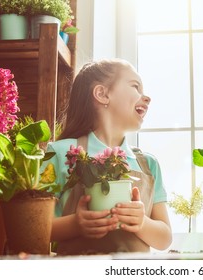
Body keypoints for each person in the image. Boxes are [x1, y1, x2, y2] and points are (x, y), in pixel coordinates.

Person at [44, 59, 172, 254]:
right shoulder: (60, 153)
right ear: (102, 94)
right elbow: (35, 228)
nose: (146, 97)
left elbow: (165, 239)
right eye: (135, 87)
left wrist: (142, 223)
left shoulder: (149, 164)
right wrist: (76, 224)